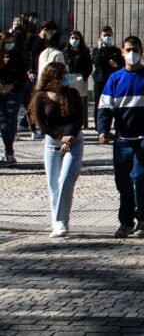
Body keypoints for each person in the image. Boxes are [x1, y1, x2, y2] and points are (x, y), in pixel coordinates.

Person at [96, 36, 144, 238]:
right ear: (122, 52)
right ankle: (125, 222)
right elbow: (105, 107)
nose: (132, 54)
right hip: (123, 137)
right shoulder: (115, 79)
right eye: (129, 50)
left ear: (141, 51)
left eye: (136, 49)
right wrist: (102, 130)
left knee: (139, 176)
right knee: (122, 182)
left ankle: (143, 219)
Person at [33, 61, 85, 238]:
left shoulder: (72, 93)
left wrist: (70, 136)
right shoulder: (41, 97)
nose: (66, 77)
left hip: (74, 139)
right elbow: (41, 123)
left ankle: (62, 221)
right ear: (52, 76)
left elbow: (80, 118)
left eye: (67, 73)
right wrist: (59, 137)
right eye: (62, 74)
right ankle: (56, 221)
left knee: (66, 180)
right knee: (53, 184)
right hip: (53, 141)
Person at [0, 33, 28, 166]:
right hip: (1, 92)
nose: (10, 44)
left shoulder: (18, 55)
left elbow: (23, 75)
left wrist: (12, 85)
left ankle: (9, 153)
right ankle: (9, 152)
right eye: (7, 42)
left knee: (11, 121)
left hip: (15, 91)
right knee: (3, 121)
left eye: (11, 41)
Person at [91, 26, 124, 127]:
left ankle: (109, 126)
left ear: (112, 35)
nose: (107, 37)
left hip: (113, 81)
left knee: (112, 105)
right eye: (104, 35)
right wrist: (100, 48)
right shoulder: (97, 50)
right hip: (100, 81)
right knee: (99, 104)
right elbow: (96, 63)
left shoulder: (117, 51)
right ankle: (99, 127)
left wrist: (116, 66)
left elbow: (123, 66)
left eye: (108, 35)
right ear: (101, 36)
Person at [63, 30, 93, 129]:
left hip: (80, 77)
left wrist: (84, 76)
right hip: (68, 77)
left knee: (79, 101)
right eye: (72, 38)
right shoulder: (65, 51)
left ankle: (78, 123)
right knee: (68, 101)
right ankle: (69, 122)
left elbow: (89, 65)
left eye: (77, 38)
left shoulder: (84, 51)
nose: (74, 40)